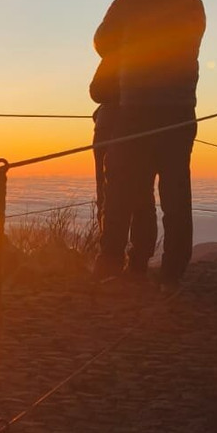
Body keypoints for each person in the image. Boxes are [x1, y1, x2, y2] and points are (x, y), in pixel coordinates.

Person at [93, 0, 206, 286]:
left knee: (125, 190)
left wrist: (131, 50)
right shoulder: (194, 5)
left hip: (136, 108)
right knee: (175, 192)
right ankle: (173, 271)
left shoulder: (130, 2)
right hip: (181, 112)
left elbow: (102, 42)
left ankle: (117, 262)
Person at [89, 26, 159, 266]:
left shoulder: (117, 54)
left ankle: (110, 258)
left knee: (109, 193)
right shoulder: (161, 59)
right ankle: (140, 258)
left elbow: (97, 91)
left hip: (111, 128)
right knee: (143, 194)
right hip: (149, 129)